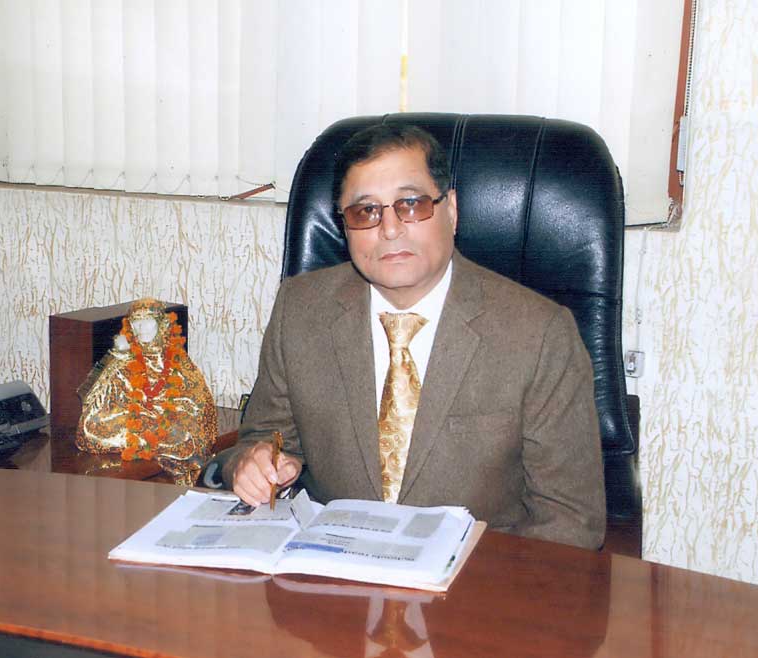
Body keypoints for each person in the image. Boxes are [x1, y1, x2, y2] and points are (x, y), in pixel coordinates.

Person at [206, 125, 605, 549]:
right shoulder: (301, 310)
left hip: (476, 575)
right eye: (366, 211)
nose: (390, 229)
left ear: (451, 210)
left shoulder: (538, 333)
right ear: (344, 226)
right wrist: (252, 464)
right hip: (333, 566)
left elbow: (571, 521)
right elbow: (264, 437)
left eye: (411, 204)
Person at [77, 297, 217, 485]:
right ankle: (154, 438)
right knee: (93, 428)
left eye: (147, 321)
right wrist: (117, 358)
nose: (141, 327)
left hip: (169, 424)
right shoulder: (123, 361)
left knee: (184, 434)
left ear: (161, 324)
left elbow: (199, 406)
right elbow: (93, 415)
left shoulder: (178, 360)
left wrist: (164, 421)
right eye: (136, 322)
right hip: (132, 422)